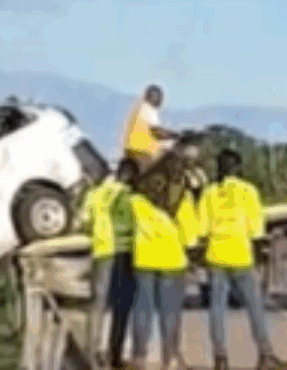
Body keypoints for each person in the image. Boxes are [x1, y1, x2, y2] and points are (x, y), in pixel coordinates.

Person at [199, 149, 287, 370]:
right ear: (237, 168)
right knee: (255, 307)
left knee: (217, 309)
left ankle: (220, 359)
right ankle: (265, 356)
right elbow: (256, 230)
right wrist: (260, 257)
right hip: (241, 256)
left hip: (216, 255)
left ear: (219, 167)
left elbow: (202, 229)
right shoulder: (248, 190)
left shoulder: (210, 192)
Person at [128, 175, 202, 370]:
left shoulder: (136, 198)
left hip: (144, 258)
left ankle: (138, 358)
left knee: (142, 309)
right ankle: (170, 358)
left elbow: (130, 225)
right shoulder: (181, 197)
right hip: (172, 259)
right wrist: (193, 253)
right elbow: (189, 230)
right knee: (170, 312)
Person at [80, 159, 141, 369]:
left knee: (97, 305)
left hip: (100, 251)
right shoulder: (128, 195)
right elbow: (132, 224)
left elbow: (84, 220)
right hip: (123, 252)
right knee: (121, 306)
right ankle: (115, 355)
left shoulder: (95, 193)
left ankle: (91, 355)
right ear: (130, 175)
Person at [122, 84, 180, 173]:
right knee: (171, 159)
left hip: (131, 149)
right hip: (143, 150)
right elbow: (157, 132)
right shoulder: (148, 110)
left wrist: (170, 134)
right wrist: (174, 136)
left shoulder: (140, 108)